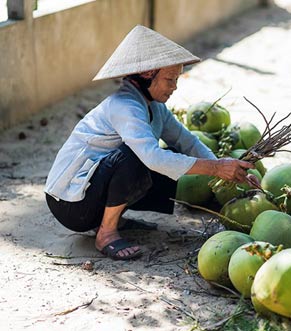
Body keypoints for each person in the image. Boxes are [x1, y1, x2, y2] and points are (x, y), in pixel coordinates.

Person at [45, 25, 256, 260]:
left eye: (176, 79)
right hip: (70, 204)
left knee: (172, 155)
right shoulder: (124, 105)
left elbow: (185, 140)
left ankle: (111, 219)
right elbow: (152, 157)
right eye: (169, 79)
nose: (174, 86)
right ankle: (106, 233)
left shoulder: (155, 107)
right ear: (148, 74)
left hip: (88, 196)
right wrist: (215, 168)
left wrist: (227, 169)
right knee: (138, 156)